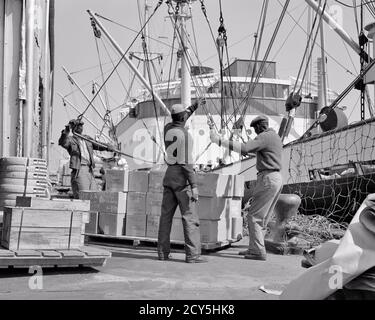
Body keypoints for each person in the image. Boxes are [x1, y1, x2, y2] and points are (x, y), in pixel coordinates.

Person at [210, 115, 283, 261]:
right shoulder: (274, 137)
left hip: (267, 178)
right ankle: (254, 248)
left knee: (254, 216)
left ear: (259, 127)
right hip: (276, 178)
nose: (255, 133)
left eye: (255, 129)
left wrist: (220, 141)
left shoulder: (264, 136)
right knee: (262, 219)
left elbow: (246, 148)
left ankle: (257, 251)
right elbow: (250, 151)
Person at [157, 99, 208, 263]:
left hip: (169, 176)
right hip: (182, 179)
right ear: (182, 119)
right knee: (189, 217)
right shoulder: (185, 135)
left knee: (165, 217)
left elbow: (182, 116)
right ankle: (192, 255)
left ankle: (162, 253)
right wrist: (194, 186)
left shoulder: (167, 129)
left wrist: (194, 106)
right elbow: (187, 164)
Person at [58, 119, 114, 199]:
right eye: (78, 126)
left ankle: (91, 212)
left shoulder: (87, 138)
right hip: (80, 169)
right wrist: (65, 132)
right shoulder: (70, 139)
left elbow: (98, 145)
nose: (81, 127)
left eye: (81, 126)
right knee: (83, 196)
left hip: (89, 169)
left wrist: (108, 147)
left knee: (94, 196)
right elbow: (62, 142)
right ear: (74, 127)